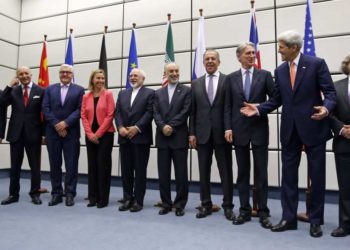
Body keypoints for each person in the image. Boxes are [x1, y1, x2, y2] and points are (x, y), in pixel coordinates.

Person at [241, 30, 336, 237]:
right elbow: (277, 99)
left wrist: (326, 109)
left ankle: (315, 220)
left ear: (294, 48)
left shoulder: (316, 64)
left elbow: (330, 93)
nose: (278, 50)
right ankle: (289, 218)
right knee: (288, 178)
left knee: (317, 177)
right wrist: (258, 109)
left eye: (282, 46)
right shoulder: (280, 70)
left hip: (314, 126)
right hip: (290, 130)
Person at [224, 43, 274, 228]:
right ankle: (244, 210)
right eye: (248, 53)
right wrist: (228, 128)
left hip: (260, 129)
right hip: (239, 131)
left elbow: (276, 99)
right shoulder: (230, 78)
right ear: (239, 57)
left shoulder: (265, 75)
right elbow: (227, 106)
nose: (252, 56)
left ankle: (263, 212)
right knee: (242, 173)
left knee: (261, 173)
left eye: (254, 53)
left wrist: (260, 108)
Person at [189, 50, 234, 220]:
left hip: (223, 134)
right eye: (206, 59)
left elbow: (229, 107)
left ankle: (228, 206)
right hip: (202, 134)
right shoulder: (196, 83)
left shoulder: (227, 80)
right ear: (203, 62)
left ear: (219, 62)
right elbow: (192, 112)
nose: (209, 61)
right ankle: (205, 204)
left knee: (226, 172)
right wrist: (192, 133)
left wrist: (229, 128)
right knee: (203, 172)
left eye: (213, 59)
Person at [0, 66, 44, 205]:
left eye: (26, 73)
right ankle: (13, 194)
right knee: (15, 167)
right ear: (17, 76)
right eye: (21, 74)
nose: (24, 76)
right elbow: (1, 103)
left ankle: (35, 194)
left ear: (31, 74)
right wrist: (8, 85)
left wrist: (44, 134)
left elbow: (45, 115)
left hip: (34, 134)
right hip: (16, 134)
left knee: (35, 167)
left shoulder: (41, 91)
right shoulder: (13, 91)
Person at [42, 64, 85, 207]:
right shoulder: (49, 89)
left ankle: (70, 194)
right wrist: (57, 124)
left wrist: (65, 123)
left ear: (72, 75)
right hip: (52, 133)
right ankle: (56, 193)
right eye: (63, 72)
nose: (65, 74)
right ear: (59, 74)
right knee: (55, 164)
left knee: (71, 164)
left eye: (68, 72)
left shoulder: (79, 90)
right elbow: (45, 108)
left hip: (71, 133)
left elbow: (80, 110)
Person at [153, 63, 191, 216]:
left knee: (181, 174)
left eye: (177, 70)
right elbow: (155, 112)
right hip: (162, 138)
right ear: (165, 74)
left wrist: (171, 126)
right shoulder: (158, 93)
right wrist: (163, 127)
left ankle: (180, 204)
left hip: (179, 137)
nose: (174, 73)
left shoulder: (187, 91)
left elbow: (185, 111)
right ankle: (166, 203)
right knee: (163, 174)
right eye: (171, 71)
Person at [115, 68, 154, 212]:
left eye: (135, 76)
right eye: (130, 76)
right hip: (124, 137)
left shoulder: (150, 93)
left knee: (140, 171)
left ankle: (138, 200)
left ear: (143, 79)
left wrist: (136, 128)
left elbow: (150, 112)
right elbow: (117, 112)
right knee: (126, 171)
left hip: (141, 138)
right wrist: (120, 127)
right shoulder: (122, 93)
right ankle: (127, 198)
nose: (132, 78)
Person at [81, 69, 115, 208]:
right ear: (92, 80)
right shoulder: (86, 96)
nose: (100, 81)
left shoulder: (108, 94)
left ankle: (103, 199)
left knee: (103, 166)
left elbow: (110, 115)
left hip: (105, 134)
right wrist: (89, 134)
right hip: (90, 135)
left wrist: (97, 134)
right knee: (92, 166)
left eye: (102, 78)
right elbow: (83, 115)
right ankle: (93, 198)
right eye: (98, 78)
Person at [329, 54, 350, 237]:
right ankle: (345, 224)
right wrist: (342, 129)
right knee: (345, 186)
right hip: (344, 143)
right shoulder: (336, 87)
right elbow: (329, 113)